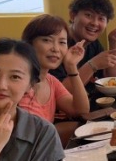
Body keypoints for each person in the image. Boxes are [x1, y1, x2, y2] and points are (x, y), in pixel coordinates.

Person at [20, 14, 90, 146]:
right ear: (29, 45)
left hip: (43, 148)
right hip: (27, 156)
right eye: (47, 40)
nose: (56, 49)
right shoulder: (20, 85)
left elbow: (81, 110)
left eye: (62, 42)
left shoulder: (50, 80)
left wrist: (71, 67)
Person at [50, 0, 116, 93]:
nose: (95, 23)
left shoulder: (92, 43)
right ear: (73, 16)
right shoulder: (58, 44)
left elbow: (112, 79)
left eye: (101, 18)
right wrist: (92, 65)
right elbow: (60, 92)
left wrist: (114, 42)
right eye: (88, 15)